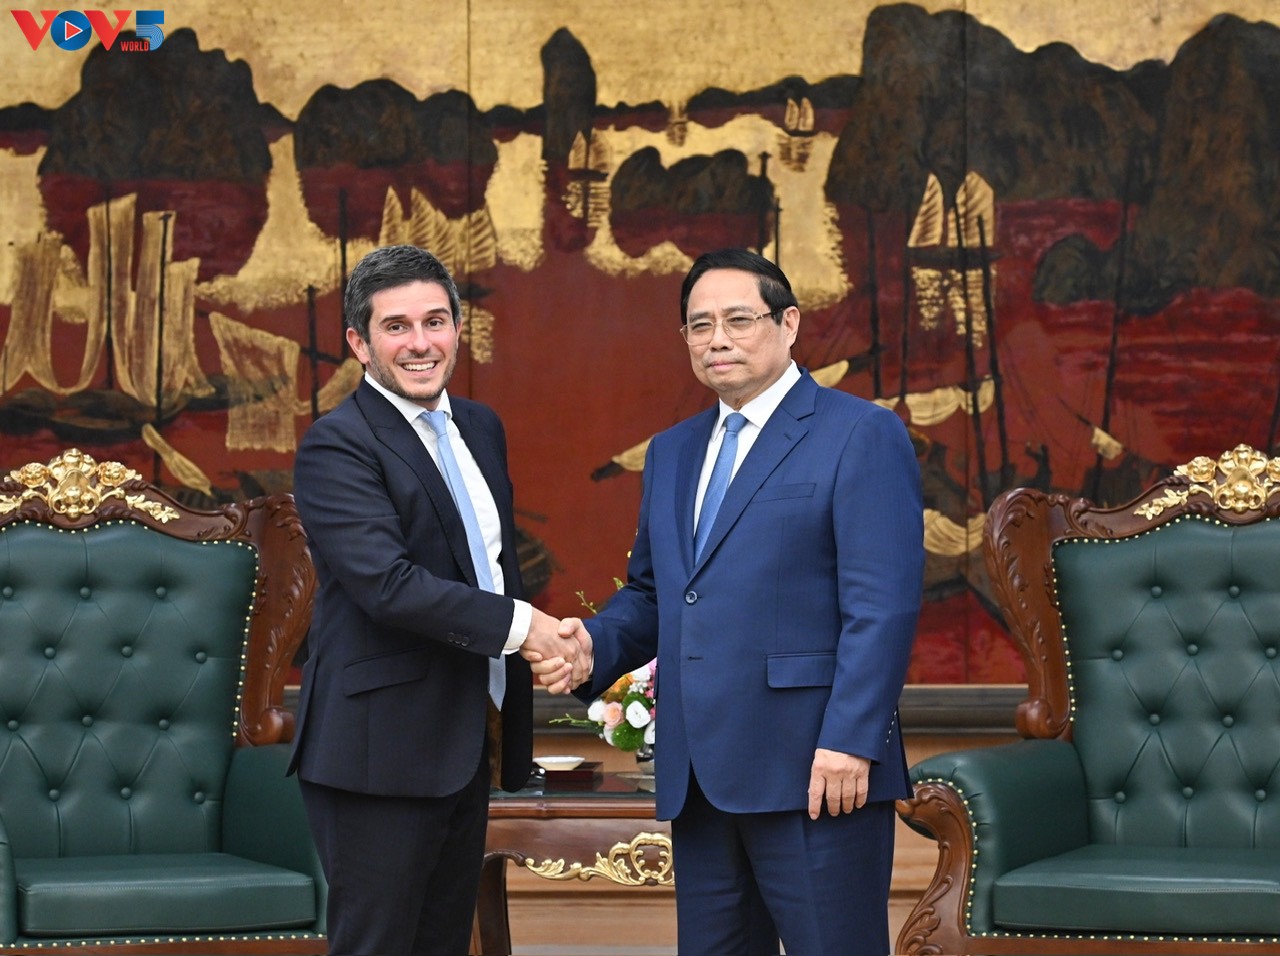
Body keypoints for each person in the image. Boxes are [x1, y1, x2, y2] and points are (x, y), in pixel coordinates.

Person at [537, 248, 924, 955]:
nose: (718, 339)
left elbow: (883, 606)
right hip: (700, 778)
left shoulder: (859, 432)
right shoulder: (673, 451)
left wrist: (850, 740)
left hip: (817, 770)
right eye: (699, 325)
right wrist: (592, 645)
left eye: (739, 320)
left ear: (788, 323)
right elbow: (657, 593)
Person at [289, 244, 582, 956]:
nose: (420, 343)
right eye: (396, 327)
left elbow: (489, 568)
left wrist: (546, 646)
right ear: (360, 342)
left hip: (466, 741)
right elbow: (388, 585)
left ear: (456, 328)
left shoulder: (480, 426)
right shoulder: (337, 445)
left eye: (435, 321)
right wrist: (528, 629)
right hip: (377, 752)